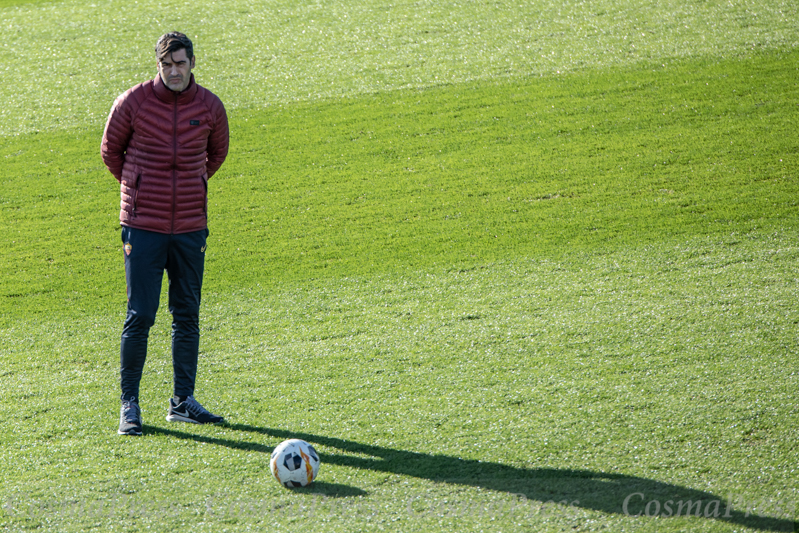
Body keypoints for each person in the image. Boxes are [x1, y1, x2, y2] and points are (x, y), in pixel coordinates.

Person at [101, 32, 229, 436]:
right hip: (142, 226)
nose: (174, 71)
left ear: (193, 63)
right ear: (158, 65)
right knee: (140, 315)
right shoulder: (133, 102)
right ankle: (130, 405)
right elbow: (110, 151)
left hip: (191, 227)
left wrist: (192, 184)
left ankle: (182, 402)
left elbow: (217, 153)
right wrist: (139, 189)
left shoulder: (209, 106)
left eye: (181, 64)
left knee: (187, 314)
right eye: (167, 65)